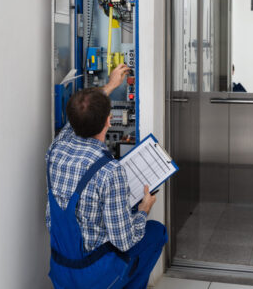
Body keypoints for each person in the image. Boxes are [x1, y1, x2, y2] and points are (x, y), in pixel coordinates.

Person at [46, 64, 168, 289]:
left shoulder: (56, 148)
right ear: (109, 121)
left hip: (62, 267)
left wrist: (110, 86)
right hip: (92, 272)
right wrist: (144, 209)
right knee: (156, 232)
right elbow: (124, 241)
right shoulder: (110, 172)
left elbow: (78, 116)